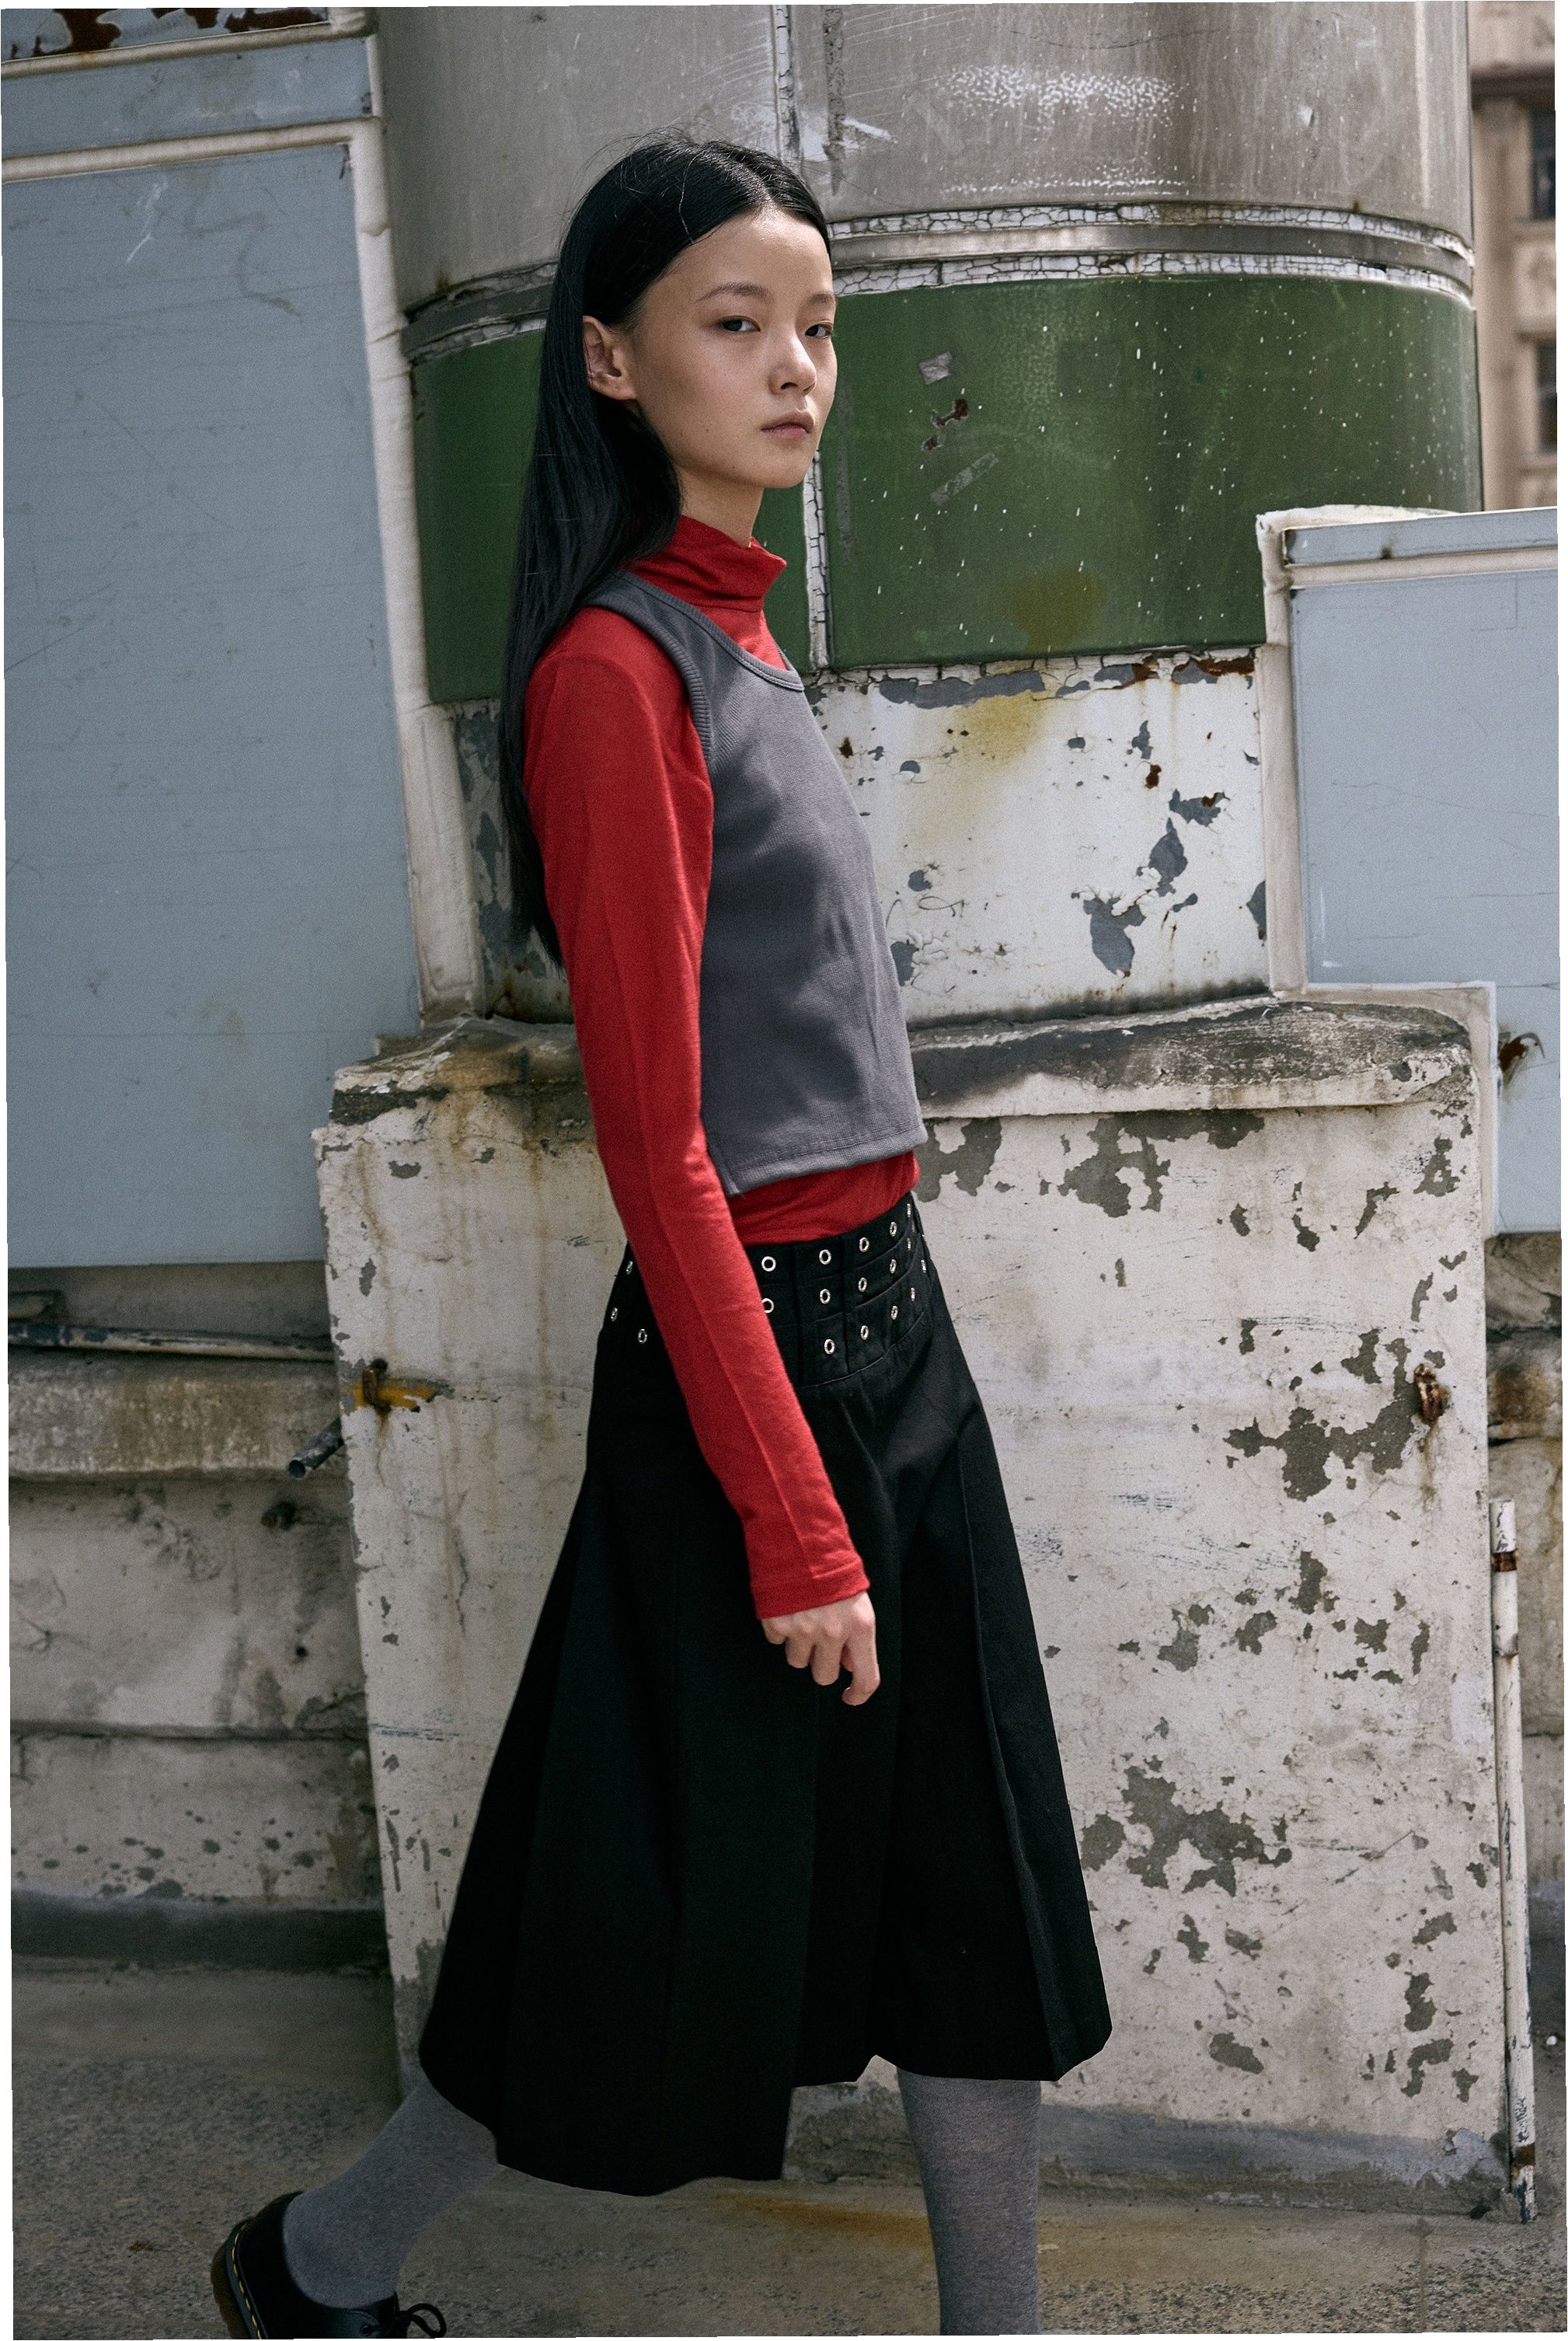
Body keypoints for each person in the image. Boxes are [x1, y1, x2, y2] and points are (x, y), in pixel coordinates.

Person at [213, 133, 1110, 2341]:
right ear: (612, 361)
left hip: (893, 1347)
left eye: (818, 324)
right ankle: (316, 2263)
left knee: (970, 1882)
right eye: (737, 323)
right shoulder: (617, 678)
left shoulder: (739, 633)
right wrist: (791, 1515)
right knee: (618, 1910)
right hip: (755, 1379)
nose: (797, 366)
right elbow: (662, 1146)